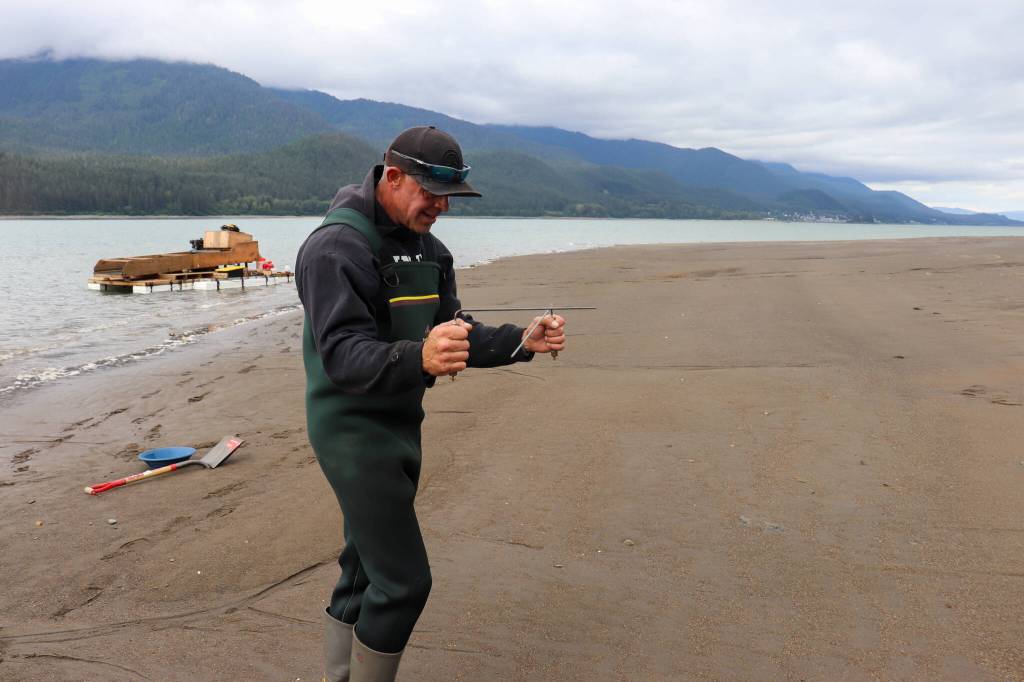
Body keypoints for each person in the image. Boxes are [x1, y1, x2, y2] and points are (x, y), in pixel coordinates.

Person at [295, 126, 567, 682]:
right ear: (392, 177)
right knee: (404, 582)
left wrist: (521, 341)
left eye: (450, 198)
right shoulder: (333, 250)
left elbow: (454, 332)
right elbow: (343, 357)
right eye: (430, 193)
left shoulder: (430, 250)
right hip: (351, 432)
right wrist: (420, 357)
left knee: (362, 569)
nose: (440, 208)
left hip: (400, 424)